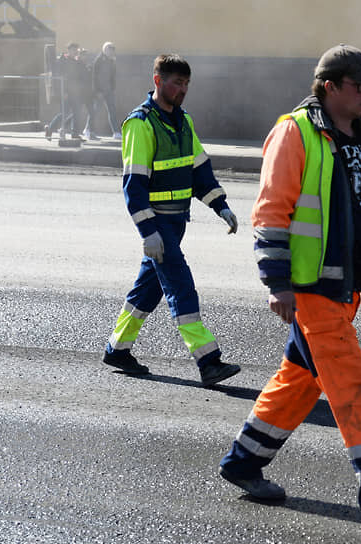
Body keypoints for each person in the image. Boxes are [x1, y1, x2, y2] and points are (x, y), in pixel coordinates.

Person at [217, 44, 361, 530]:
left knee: (299, 381)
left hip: (347, 283)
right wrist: (277, 283)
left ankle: (243, 461)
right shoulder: (295, 132)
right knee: (353, 385)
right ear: (329, 87)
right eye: (360, 85)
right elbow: (271, 211)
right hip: (312, 287)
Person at [102, 54, 242, 387]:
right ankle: (208, 361)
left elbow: (199, 170)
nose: (183, 89)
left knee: (146, 292)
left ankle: (117, 349)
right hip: (159, 226)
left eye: (186, 83)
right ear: (158, 81)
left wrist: (220, 205)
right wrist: (148, 231)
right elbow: (134, 185)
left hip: (176, 224)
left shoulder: (183, 121)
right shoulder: (141, 123)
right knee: (181, 288)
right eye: (177, 83)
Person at [44, 43, 88, 140]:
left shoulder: (77, 62)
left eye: (76, 50)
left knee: (77, 113)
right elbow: (60, 77)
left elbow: (80, 77)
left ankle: (75, 134)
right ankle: (50, 128)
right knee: (64, 113)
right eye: (73, 50)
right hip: (66, 92)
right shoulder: (62, 61)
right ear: (68, 50)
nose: (75, 52)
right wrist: (63, 92)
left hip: (76, 93)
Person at [84, 41, 121, 140]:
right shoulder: (99, 60)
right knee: (94, 111)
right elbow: (94, 77)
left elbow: (112, 76)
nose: (111, 51)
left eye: (112, 49)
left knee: (112, 111)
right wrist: (97, 91)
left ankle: (116, 132)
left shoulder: (112, 61)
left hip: (109, 91)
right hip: (100, 91)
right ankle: (87, 129)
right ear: (105, 50)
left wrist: (112, 88)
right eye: (110, 49)